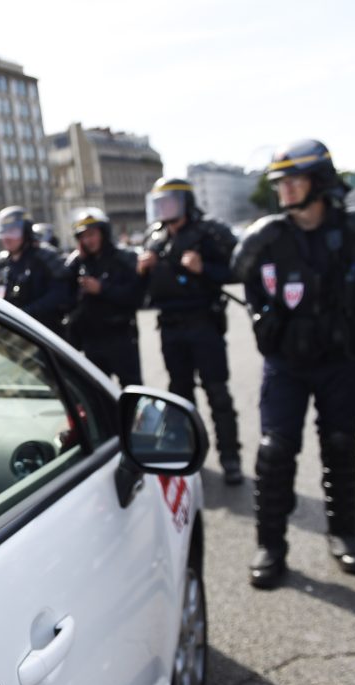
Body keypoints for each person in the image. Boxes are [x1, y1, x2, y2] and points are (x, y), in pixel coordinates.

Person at [231, 139, 355, 589]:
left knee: (341, 445)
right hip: (286, 364)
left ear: (320, 183)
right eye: (279, 182)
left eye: (294, 180)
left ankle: (344, 535)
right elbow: (244, 278)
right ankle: (270, 545)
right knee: (275, 452)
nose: (284, 190)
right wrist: (263, 319)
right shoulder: (268, 236)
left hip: (341, 362)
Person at [138, 177, 243, 485]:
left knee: (218, 394)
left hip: (203, 324)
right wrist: (142, 270)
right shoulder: (154, 238)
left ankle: (230, 458)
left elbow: (238, 269)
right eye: (159, 203)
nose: (163, 208)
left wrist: (204, 269)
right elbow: (143, 291)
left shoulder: (209, 232)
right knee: (180, 396)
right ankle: (187, 454)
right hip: (170, 328)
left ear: (185, 202)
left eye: (169, 201)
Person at [64, 207, 143, 386]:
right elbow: (64, 295)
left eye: (92, 234)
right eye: (83, 236)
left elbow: (136, 297)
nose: (88, 240)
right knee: (96, 395)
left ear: (103, 233)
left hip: (121, 336)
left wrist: (102, 289)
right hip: (91, 340)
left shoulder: (124, 258)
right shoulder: (78, 263)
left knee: (133, 392)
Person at [0, 206, 75, 336]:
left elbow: (60, 294)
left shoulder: (45, 256)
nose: (6, 238)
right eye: (3, 232)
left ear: (26, 232)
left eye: (12, 232)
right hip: (13, 334)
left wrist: (26, 312)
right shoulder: (1, 262)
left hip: (46, 334)